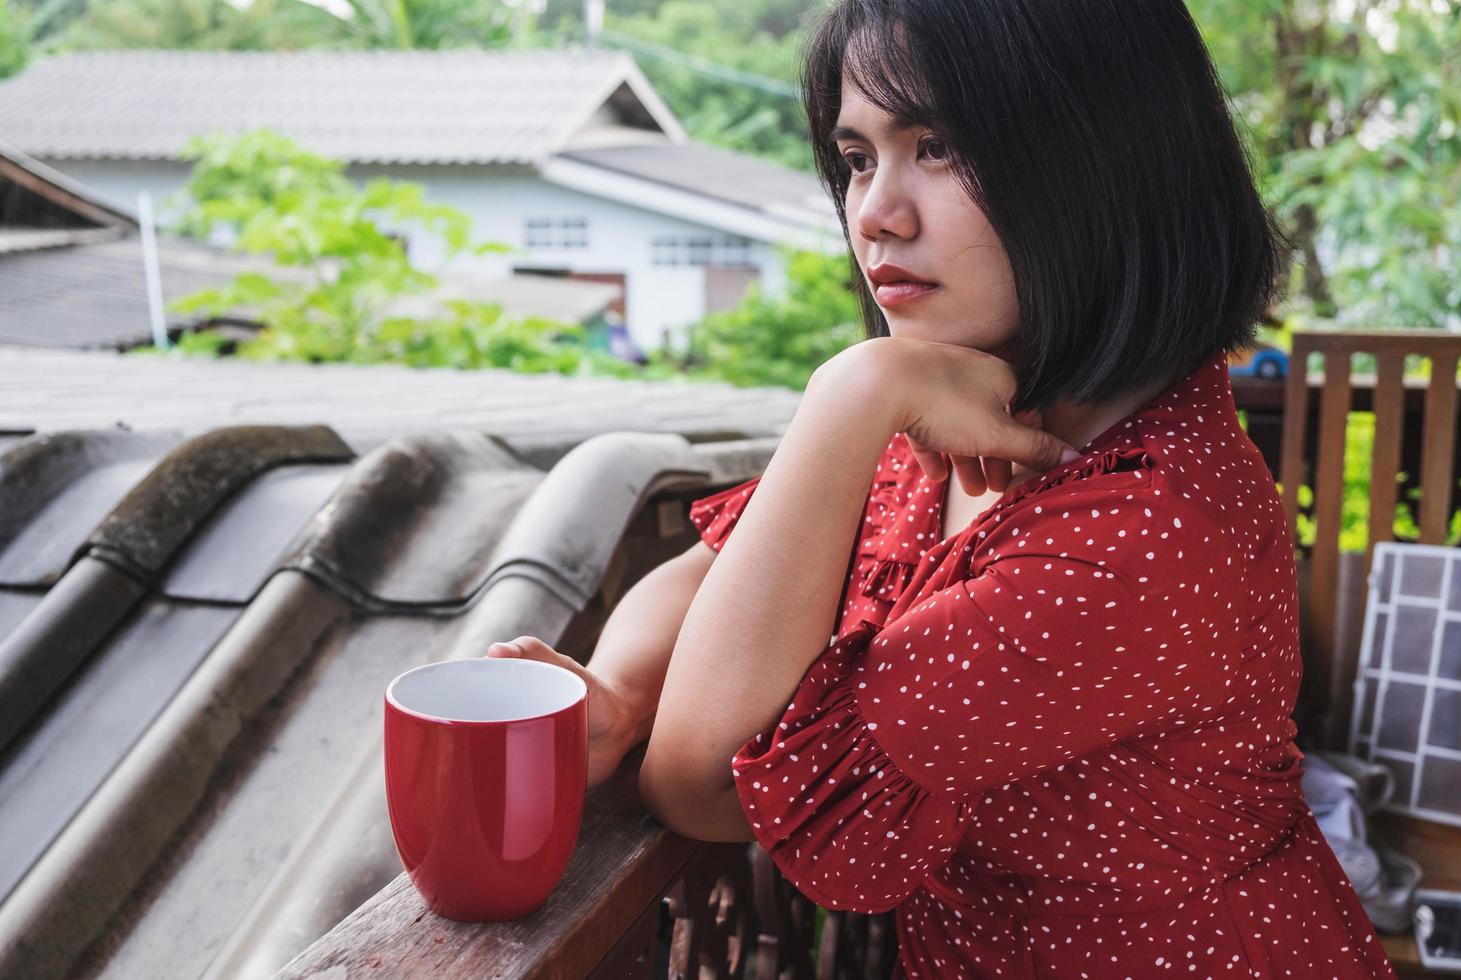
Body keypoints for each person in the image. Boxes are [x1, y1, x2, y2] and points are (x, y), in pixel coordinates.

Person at [486, 0, 1398, 975]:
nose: (877, 211)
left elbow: (706, 781)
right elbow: (718, 564)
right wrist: (622, 693)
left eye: (939, 146)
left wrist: (854, 387)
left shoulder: (1138, 528)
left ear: (1109, 155)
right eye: (857, 157)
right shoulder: (987, 386)